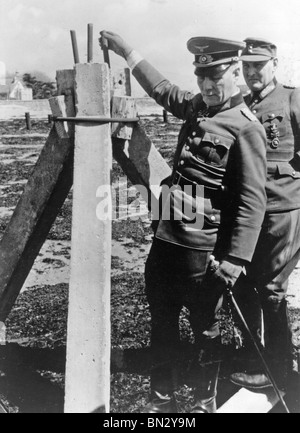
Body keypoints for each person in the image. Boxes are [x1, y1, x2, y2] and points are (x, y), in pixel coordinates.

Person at [100, 31, 267, 413]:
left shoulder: (246, 128)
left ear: (234, 73)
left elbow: (251, 202)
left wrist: (235, 260)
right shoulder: (197, 107)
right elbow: (161, 88)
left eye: (216, 76)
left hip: (203, 252)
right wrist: (127, 50)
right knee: (161, 320)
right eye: (201, 77)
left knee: (205, 329)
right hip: (166, 239)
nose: (207, 85)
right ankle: (161, 402)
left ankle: (202, 404)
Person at [230, 38, 300, 390]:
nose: (252, 72)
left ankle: (279, 372)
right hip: (247, 211)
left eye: (258, 64)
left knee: (271, 290)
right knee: (245, 285)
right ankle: (255, 358)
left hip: (280, 210)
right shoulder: (240, 103)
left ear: (274, 62)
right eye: (246, 66)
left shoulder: (291, 98)